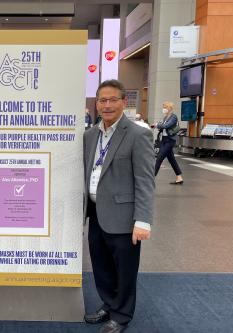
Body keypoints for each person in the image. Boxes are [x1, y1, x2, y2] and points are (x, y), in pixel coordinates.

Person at [83, 80, 155, 333]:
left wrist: (143, 220)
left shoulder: (138, 134)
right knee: (101, 267)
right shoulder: (90, 135)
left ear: (124, 102)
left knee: (124, 271)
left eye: (113, 99)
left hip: (125, 218)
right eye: (102, 100)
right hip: (95, 214)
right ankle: (109, 304)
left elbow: (145, 180)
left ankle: (122, 315)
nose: (107, 105)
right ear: (97, 103)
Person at [154, 101, 184, 185]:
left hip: (170, 140)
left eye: (165, 107)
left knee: (159, 158)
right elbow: (162, 127)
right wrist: (157, 126)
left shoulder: (173, 117)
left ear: (169, 108)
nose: (163, 109)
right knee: (172, 160)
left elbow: (166, 126)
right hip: (164, 140)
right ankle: (179, 177)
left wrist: (157, 125)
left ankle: (151, 178)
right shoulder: (165, 117)